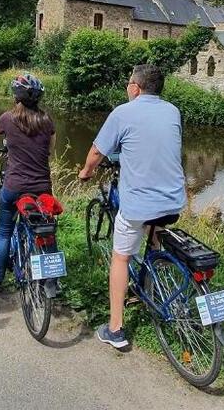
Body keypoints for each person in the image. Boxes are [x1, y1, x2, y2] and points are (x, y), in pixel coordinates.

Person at [78, 64, 185, 349]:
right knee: (154, 234)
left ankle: (115, 329)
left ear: (135, 88)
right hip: (174, 200)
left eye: (128, 83)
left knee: (121, 258)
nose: (127, 88)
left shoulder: (123, 112)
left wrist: (86, 172)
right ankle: (152, 279)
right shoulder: (172, 111)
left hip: (139, 205)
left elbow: (97, 151)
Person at [0, 74, 55, 291]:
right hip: (43, 187)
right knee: (46, 226)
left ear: (16, 97)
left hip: (14, 186)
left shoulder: (7, 119)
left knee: (5, 231)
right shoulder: (47, 121)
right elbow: (50, 153)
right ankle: (52, 277)